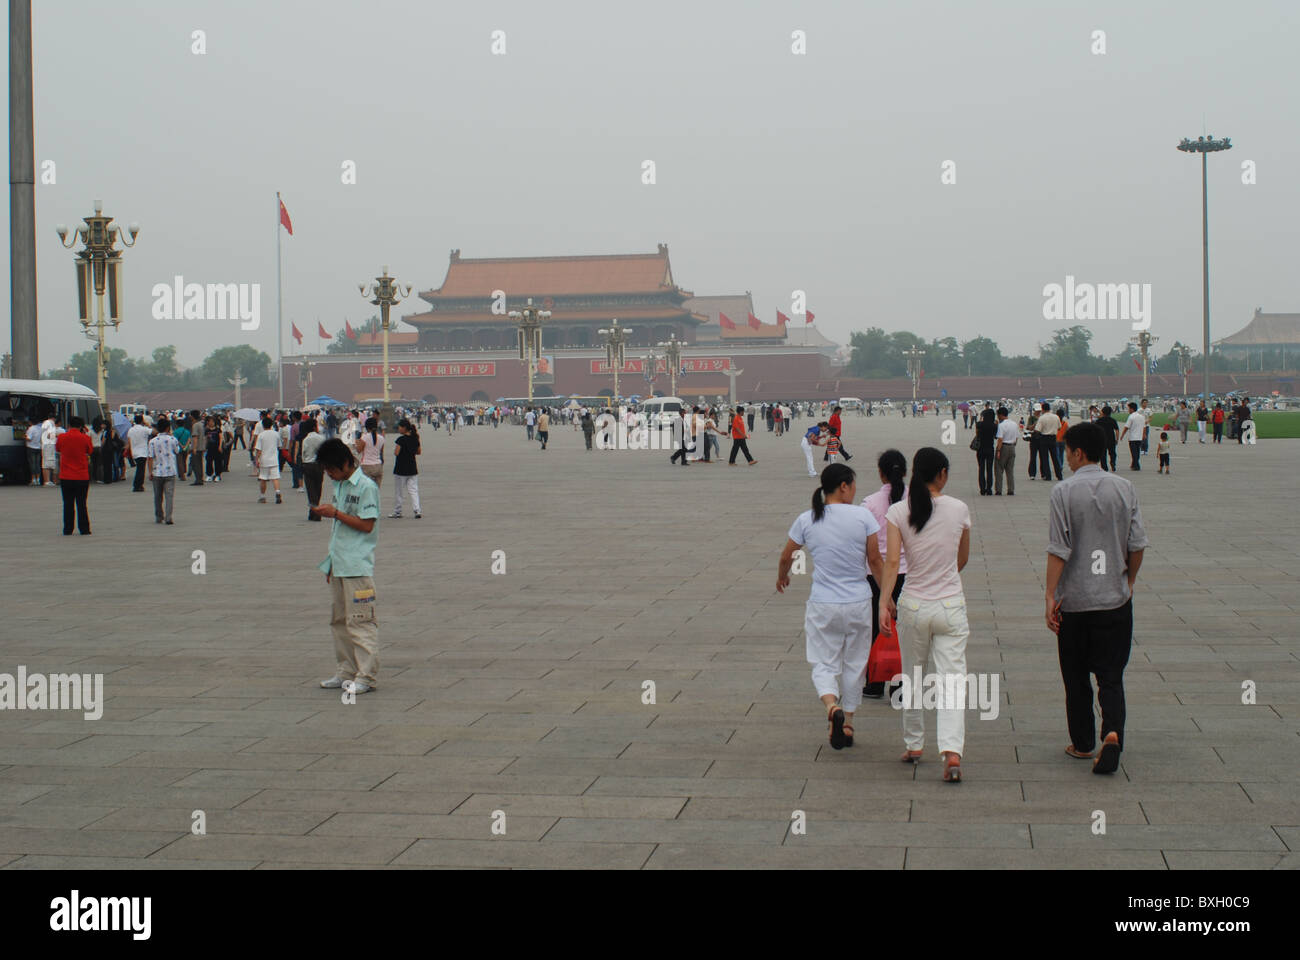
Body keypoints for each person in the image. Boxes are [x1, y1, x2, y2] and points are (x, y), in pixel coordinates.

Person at [1045, 423, 1147, 774]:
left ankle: (1084, 742)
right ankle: (1113, 732)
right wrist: (1128, 581)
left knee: (1075, 678)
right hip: (1114, 601)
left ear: (1078, 452)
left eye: (1068, 451)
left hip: (1075, 601)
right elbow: (1137, 544)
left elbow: (1059, 548)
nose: (1067, 457)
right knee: (1111, 675)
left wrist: (1049, 595)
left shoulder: (1063, 492)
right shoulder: (1125, 488)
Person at [878, 448, 972, 782]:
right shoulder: (959, 509)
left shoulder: (897, 511)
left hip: (913, 604)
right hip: (950, 606)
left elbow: (892, 562)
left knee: (913, 675)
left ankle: (914, 744)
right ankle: (952, 751)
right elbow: (962, 558)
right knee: (951, 681)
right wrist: (944, 575)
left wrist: (884, 602)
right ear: (942, 474)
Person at [777, 463, 883, 750]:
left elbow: (787, 555)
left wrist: (782, 576)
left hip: (823, 602)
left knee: (823, 661)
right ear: (844, 486)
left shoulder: (808, 518)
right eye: (854, 484)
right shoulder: (864, 516)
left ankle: (830, 705)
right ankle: (847, 721)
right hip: (859, 601)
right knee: (855, 662)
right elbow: (874, 561)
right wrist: (886, 596)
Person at [311, 439, 381, 696]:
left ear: (345, 463)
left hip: (358, 567)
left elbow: (367, 525)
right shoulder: (339, 484)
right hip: (339, 564)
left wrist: (335, 513)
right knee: (339, 621)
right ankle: (346, 671)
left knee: (361, 621)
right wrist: (331, 564)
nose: (329, 474)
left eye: (331, 469)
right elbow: (338, 531)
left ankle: (366, 675)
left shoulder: (365, 487)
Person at [861, 449, 908, 699]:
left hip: (876, 574)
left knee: (878, 628)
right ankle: (901, 685)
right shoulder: (918, 501)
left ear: (881, 474)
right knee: (904, 629)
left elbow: (865, 547)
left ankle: (875, 681)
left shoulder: (869, 503)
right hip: (908, 573)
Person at [55, 416, 93, 535]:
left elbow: (58, 449)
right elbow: (90, 451)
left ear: (69, 425)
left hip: (66, 475)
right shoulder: (85, 438)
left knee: (68, 503)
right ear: (81, 426)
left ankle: (68, 528)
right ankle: (84, 529)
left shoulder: (61, 437)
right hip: (81, 475)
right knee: (82, 503)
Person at [146, 418, 181, 525]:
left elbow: (150, 457)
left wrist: (150, 472)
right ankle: (169, 518)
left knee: (157, 496)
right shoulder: (173, 439)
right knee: (169, 496)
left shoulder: (152, 441)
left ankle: (159, 516)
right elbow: (177, 451)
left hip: (157, 472)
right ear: (168, 428)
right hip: (170, 471)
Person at [390, 419, 422, 519]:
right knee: (413, 490)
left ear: (404, 428)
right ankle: (417, 510)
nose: (399, 429)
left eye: (399, 427)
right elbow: (419, 452)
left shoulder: (401, 439)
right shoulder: (415, 438)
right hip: (412, 468)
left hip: (401, 468)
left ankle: (398, 511)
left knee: (399, 491)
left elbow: (396, 453)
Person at [301, 417, 326, 521]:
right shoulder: (321, 438)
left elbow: (304, 453)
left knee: (310, 489)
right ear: (314, 427)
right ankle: (315, 509)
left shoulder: (306, 439)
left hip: (308, 465)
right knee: (318, 487)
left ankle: (314, 510)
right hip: (319, 465)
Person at [254, 416, 283, 503]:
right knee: (275, 478)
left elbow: (258, 450)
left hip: (264, 460)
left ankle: (262, 496)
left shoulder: (261, 435)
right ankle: (277, 492)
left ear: (263, 425)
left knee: (263, 478)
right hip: (274, 459)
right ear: (271, 425)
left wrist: (256, 460)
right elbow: (279, 446)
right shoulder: (276, 434)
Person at [993, 407, 1018, 495]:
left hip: (1003, 447)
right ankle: (1011, 489)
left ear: (1000, 415)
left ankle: (998, 490)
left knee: (999, 469)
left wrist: (998, 451)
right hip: (1012, 447)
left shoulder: (1001, 425)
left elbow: (1000, 439)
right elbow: (1016, 438)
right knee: (1010, 470)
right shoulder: (1014, 424)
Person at [1033, 403, 1061, 480]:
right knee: (1055, 458)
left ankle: (1048, 476)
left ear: (1043, 409)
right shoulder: (1056, 417)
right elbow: (1059, 428)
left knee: (1045, 458)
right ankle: (1059, 475)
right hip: (1053, 438)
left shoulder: (1042, 418)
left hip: (1044, 438)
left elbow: (1037, 430)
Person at [357, 417, 385, 488]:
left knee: (366, 490)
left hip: (366, 466)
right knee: (376, 490)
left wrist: (357, 443)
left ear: (367, 427)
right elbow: (381, 452)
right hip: (378, 465)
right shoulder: (381, 438)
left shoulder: (364, 437)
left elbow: (359, 450)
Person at [974, 408, 997, 495]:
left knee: (981, 469)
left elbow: (977, 435)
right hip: (990, 449)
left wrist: (981, 420)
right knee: (989, 469)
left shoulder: (979, 424)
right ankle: (989, 489)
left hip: (980, 449)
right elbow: (995, 437)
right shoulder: (994, 426)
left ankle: (982, 489)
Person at [126, 414, 151, 491]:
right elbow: (153, 431)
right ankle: (138, 485)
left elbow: (129, 441)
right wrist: (148, 425)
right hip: (143, 451)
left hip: (135, 452)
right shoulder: (144, 429)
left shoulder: (131, 430)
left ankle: (138, 484)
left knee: (139, 468)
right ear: (142, 421)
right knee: (141, 469)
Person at [1118, 402, 1146, 470]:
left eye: (1129, 409)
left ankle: (1136, 466)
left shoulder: (1131, 416)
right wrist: (1144, 435)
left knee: (1133, 453)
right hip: (1139, 437)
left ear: (1132, 409)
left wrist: (1122, 435)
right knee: (1137, 451)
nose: (1128, 410)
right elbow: (1144, 427)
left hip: (1133, 438)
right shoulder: (1142, 417)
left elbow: (1126, 427)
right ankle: (1133, 464)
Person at [1095, 405, 1120, 472]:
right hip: (1111, 439)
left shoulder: (1099, 421)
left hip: (1102, 439)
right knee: (1112, 453)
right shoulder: (1113, 420)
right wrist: (1117, 439)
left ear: (1103, 412)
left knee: (1103, 454)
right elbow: (1117, 430)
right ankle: (1113, 463)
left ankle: (1104, 467)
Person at [41, 415, 64, 487]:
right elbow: (49, 436)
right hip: (48, 446)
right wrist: (57, 436)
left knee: (49, 464)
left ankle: (48, 480)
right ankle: (47, 481)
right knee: (47, 464)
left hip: (47, 446)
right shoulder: (50, 425)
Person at [25, 417, 44, 485]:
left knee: (32, 464)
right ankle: (38, 479)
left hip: (31, 447)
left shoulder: (31, 429)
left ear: (31, 422)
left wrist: (24, 436)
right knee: (38, 463)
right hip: (39, 447)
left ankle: (33, 479)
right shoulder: (40, 429)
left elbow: (29, 438)